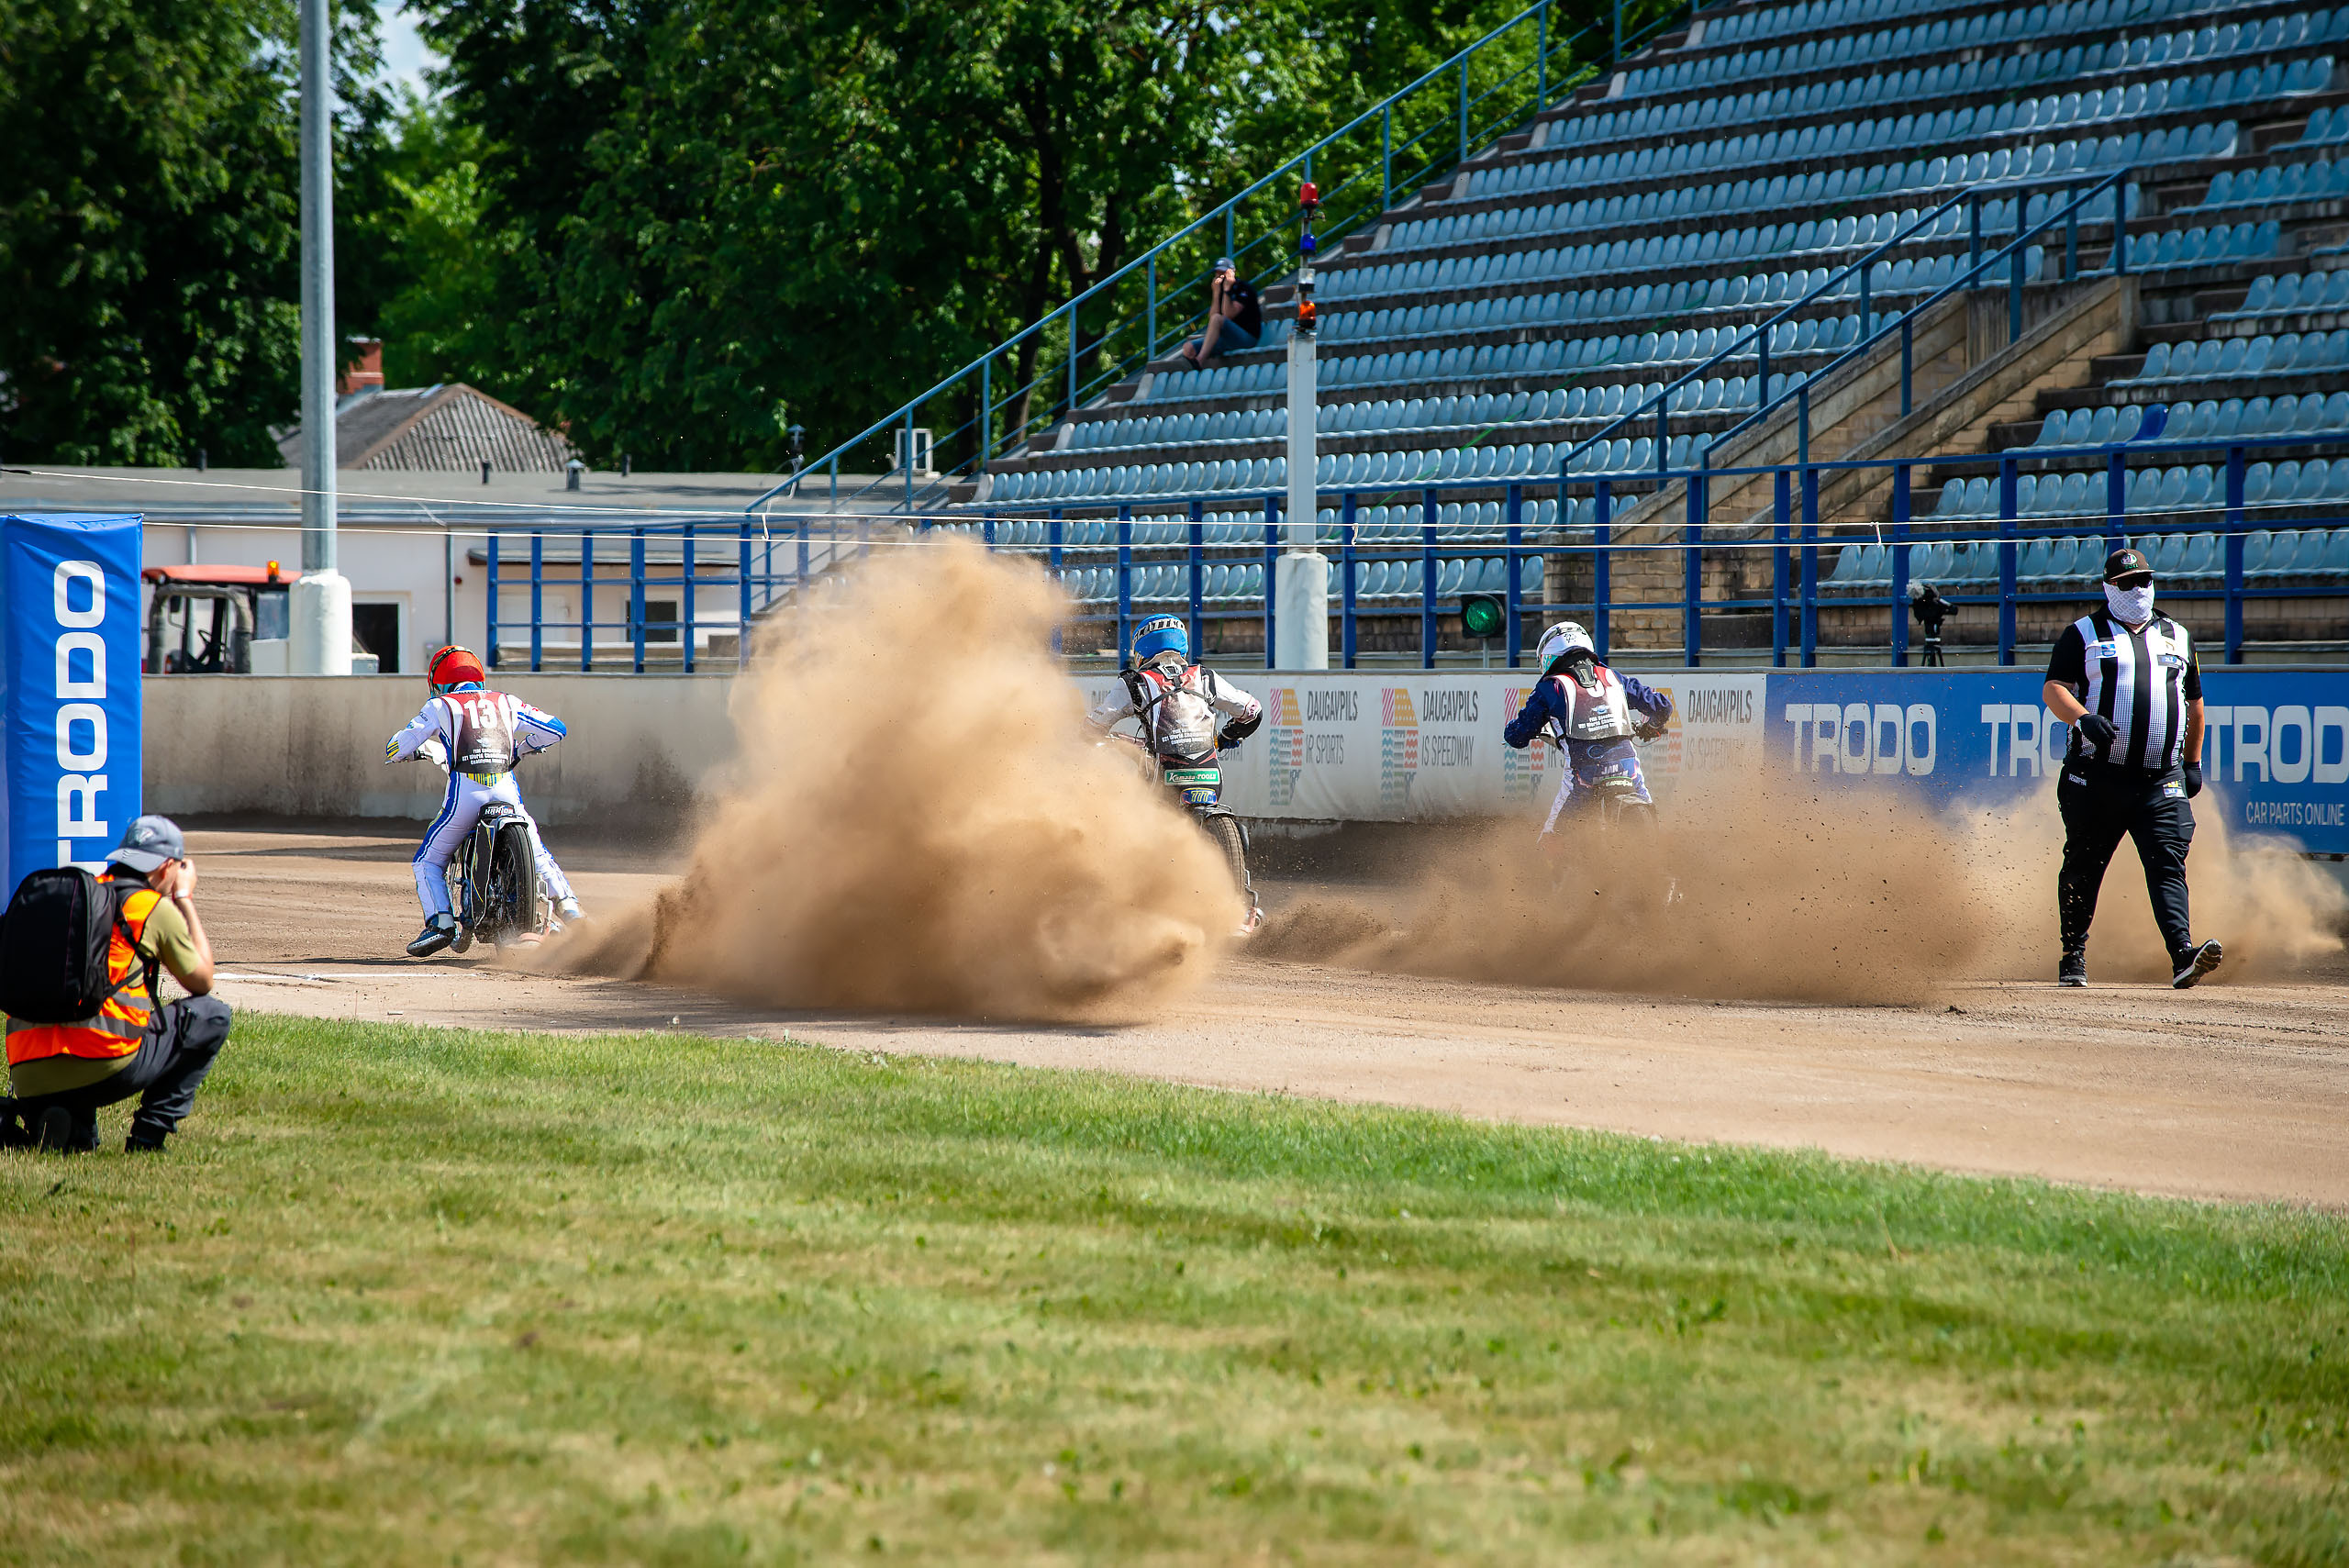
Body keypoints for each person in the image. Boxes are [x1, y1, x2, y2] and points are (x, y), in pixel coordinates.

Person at [2042, 546, 2222, 989]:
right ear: (2109, 587)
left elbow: (2195, 705)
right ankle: (2073, 955)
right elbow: (2053, 689)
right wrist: (2083, 717)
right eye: (2127, 583)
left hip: (2161, 779)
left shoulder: (2178, 636)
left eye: (2144, 580)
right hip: (2096, 777)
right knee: (2084, 864)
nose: (2138, 589)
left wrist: (2192, 763)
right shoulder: (2081, 634)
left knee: (2168, 864)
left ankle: (2183, 953)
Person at [2, 816, 231, 1154]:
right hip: (104, 1061)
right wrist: (184, 897)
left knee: (79, 1145)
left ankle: (55, 1124)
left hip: (28, 1068)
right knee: (211, 1015)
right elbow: (202, 981)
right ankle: (147, 1139)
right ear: (168, 866)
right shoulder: (150, 907)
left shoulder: (77, 899)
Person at [386, 644, 583, 957]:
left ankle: (440, 923)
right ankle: (572, 912)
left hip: (465, 791)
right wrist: (521, 748)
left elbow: (397, 747)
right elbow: (556, 730)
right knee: (538, 854)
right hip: (506, 788)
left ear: (439, 680)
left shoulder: (441, 705)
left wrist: (407, 752)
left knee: (428, 861)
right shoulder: (506, 701)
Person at [1090, 615, 1265, 928]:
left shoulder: (1134, 682)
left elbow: (1095, 724)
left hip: (1165, 776)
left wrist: (1089, 740)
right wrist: (1224, 739)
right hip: (1210, 775)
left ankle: (1136, 904)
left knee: (1130, 822)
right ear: (1181, 645)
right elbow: (1252, 711)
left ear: (1141, 649)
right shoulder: (1205, 677)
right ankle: (1240, 906)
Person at [1501, 620, 1674, 840]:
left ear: (1549, 656)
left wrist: (1513, 733)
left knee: (1552, 838)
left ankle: (1552, 866)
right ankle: (1660, 863)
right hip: (1627, 768)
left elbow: (1517, 736)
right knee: (1651, 823)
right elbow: (1662, 706)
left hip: (1584, 776)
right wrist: (1651, 727)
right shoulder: (1613, 677)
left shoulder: (1549, 688)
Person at [1180, 258, 1262, 367]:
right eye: (1218, 274)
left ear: (1233, 272)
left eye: (1223, 273)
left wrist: (1227, 290)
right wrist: (1216, 292)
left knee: (1218, 319)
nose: (1220, 277)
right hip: (1227, 339)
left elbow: (1228, 315)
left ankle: (1200, 360)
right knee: (1188, 348)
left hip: (1247, 338)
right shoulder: (1220, 289)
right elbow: (1212, 317)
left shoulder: (1244, 288)